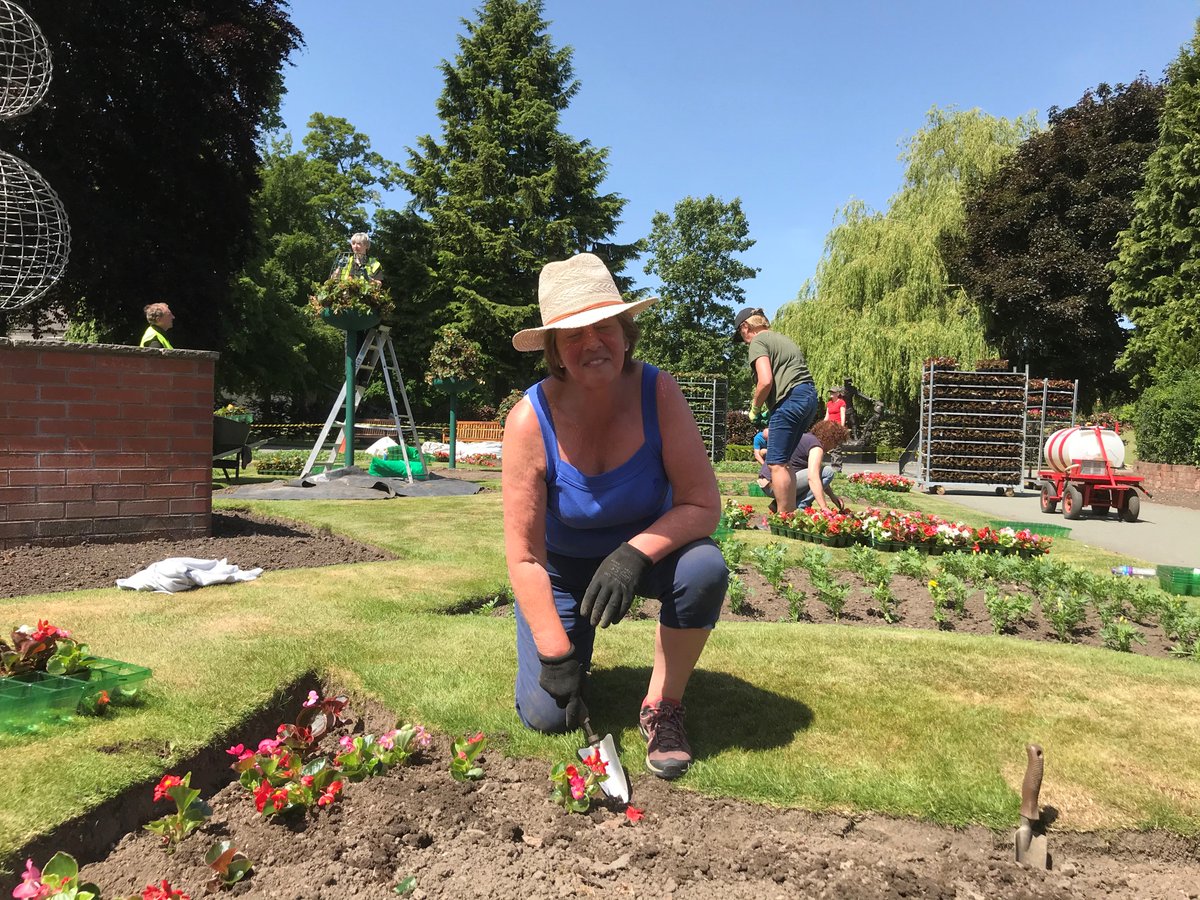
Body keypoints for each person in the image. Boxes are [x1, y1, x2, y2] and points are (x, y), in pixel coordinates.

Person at [503, 252, 728, 781]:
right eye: (572, 334)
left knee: (704, 569)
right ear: (555, 351)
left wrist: (633, 554)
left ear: (626, 334)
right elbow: (525, 556)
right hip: (562, 571)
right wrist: (555, 652)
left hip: (648, 556)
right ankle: (569, 651)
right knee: (546, 716)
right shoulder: (529, 420)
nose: (592, 343)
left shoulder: (659, 392)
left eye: (603, 326)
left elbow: (702, 504)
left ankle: (662, 705)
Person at [733, 307, 819, 516]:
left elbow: (765, 381)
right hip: (808, 397)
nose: (744, 341)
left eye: (741, 335)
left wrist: (755, 408)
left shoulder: (758, 342)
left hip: (790, 400)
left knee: (776, 463)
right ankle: (790, 515)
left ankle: (783, 517)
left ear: (745, 327)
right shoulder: (782, 339)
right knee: (785, 461)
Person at [756, 420, 849, 513]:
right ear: (829, 439)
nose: (834, 447)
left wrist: (832, 496)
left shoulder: (806, 439)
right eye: (835, 443)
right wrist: (824, 507)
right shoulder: (816, 448)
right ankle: (801, 506)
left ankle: (777, 504)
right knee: (828, 471)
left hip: (767, 482)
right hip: (775, 484)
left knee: (822, 472)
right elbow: (813, 478)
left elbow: (820, 477)